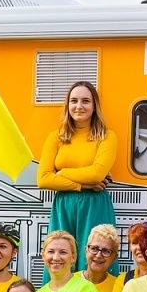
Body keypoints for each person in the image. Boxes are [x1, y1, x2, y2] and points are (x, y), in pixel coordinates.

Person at [38, 81, 116, 269]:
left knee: (95, 256)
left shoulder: (107, 136)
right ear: (67, 105)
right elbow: (43, 179)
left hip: (94, 203)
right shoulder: (56, 137)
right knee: (59, 254)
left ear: (94, 105)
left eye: (85, 101)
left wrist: (63, 172)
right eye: (74, 101)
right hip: (63, 204)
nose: (79, 106)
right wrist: (82, 185)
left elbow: (97, 173)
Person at [79, 224, 122, 292]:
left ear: (114, 257)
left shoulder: (118, 286)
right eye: (94, 249)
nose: (98, 255)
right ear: (86, 250)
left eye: (106, 251)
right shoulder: (71, 280)